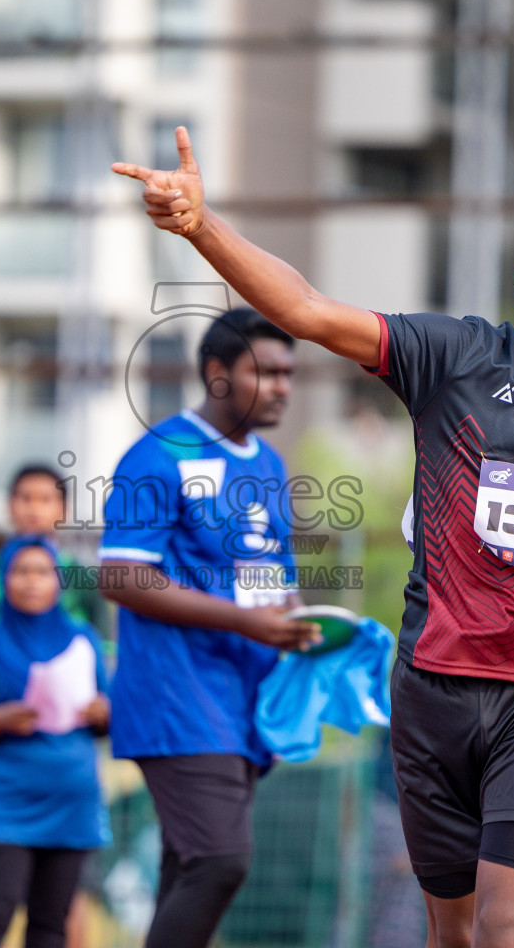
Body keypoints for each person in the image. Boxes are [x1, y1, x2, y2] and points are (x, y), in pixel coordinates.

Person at [113, 129, 514, 948]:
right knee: (451, 932)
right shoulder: (455, 356)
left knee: (507, 926)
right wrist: (201, 225)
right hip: (433, 689)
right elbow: (306, 309)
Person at [97, 306, 321, 948]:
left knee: (188, 868)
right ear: (217, 373)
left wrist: (305, 630)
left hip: (245, 700)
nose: (282, 385)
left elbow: (271, 576)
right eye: (266, 371)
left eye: (288, 373)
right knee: (221, 861)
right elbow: (121, 576)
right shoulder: (157, 453)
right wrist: (246, 622)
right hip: (178, 696)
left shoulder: (269, 464)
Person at [0, 464, 110, 948]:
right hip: (4, 793)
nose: (33, 582)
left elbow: (107, 708)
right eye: (20, 572)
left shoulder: (83, 635)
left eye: (43, 573)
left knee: (54, 922)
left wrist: (104, 714)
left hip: (70, 793)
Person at [0, 464, 110, 639]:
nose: (34, 510)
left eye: (45, 500)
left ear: (64, 510)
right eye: (25, 498)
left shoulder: (85, 578)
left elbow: (103, 650)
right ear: (9, 506)